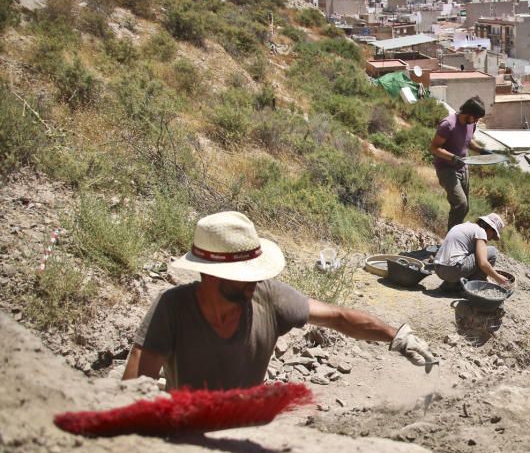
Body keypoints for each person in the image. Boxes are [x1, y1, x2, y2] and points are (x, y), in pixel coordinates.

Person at [123, 211, 437, 390]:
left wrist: (396, 336)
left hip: (247, 431)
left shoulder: (268, 297)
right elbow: (134, 387)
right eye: (242, 273)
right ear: (209, 273)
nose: (254, 281)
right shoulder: (173, 309)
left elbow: (339, 317)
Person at [429, 97, 498, 230]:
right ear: (468, 113)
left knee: (464, 208)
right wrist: (453, 157)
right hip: (446, 169)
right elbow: (434, 148)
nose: (477, 121)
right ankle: (451, 240)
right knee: (460, 204)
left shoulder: (471, 124)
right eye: (476, 118)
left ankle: (456, 235)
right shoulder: (448, 124)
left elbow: (468, 141)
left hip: (463, 169)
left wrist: (482, 150)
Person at [432, 213, 510, 290]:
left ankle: (451, 285)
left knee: (473, 254)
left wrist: (488, 279)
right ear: (490, 228)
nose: (490, 239)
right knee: (491, 251)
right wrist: (497, 278)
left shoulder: (464, 226)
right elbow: (483, 263)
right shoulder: (480, 231)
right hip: (453, 270)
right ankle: (471, 289)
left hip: (438, 268)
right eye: (493, 235)